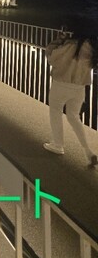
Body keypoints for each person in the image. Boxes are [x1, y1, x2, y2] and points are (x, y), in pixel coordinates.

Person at [44, 32, 98, 167]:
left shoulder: (70, 45)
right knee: (74, 117)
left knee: (55, 112)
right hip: (79, 87)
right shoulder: (92, 49)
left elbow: (52, 58)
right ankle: (88, 151)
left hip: (62, 83)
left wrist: (58, 41)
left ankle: (58, 144)